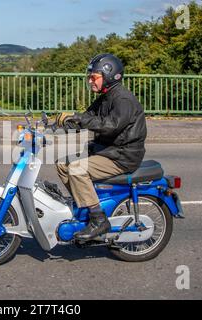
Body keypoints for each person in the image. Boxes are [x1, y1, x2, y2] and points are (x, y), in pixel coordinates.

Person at [55, 53, 147, 241]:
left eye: (94, 77)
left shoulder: (122, 99)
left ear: (109, 74)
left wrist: (80, 118)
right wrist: (62, 123)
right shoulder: (105, 97)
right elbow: (88, 117)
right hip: (108, 149)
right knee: (62, 164)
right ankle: (85, 207)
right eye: (89, 77)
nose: (90, 81)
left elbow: (111, 125)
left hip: (122, 155)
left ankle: (98, 219)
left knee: (77, 169)